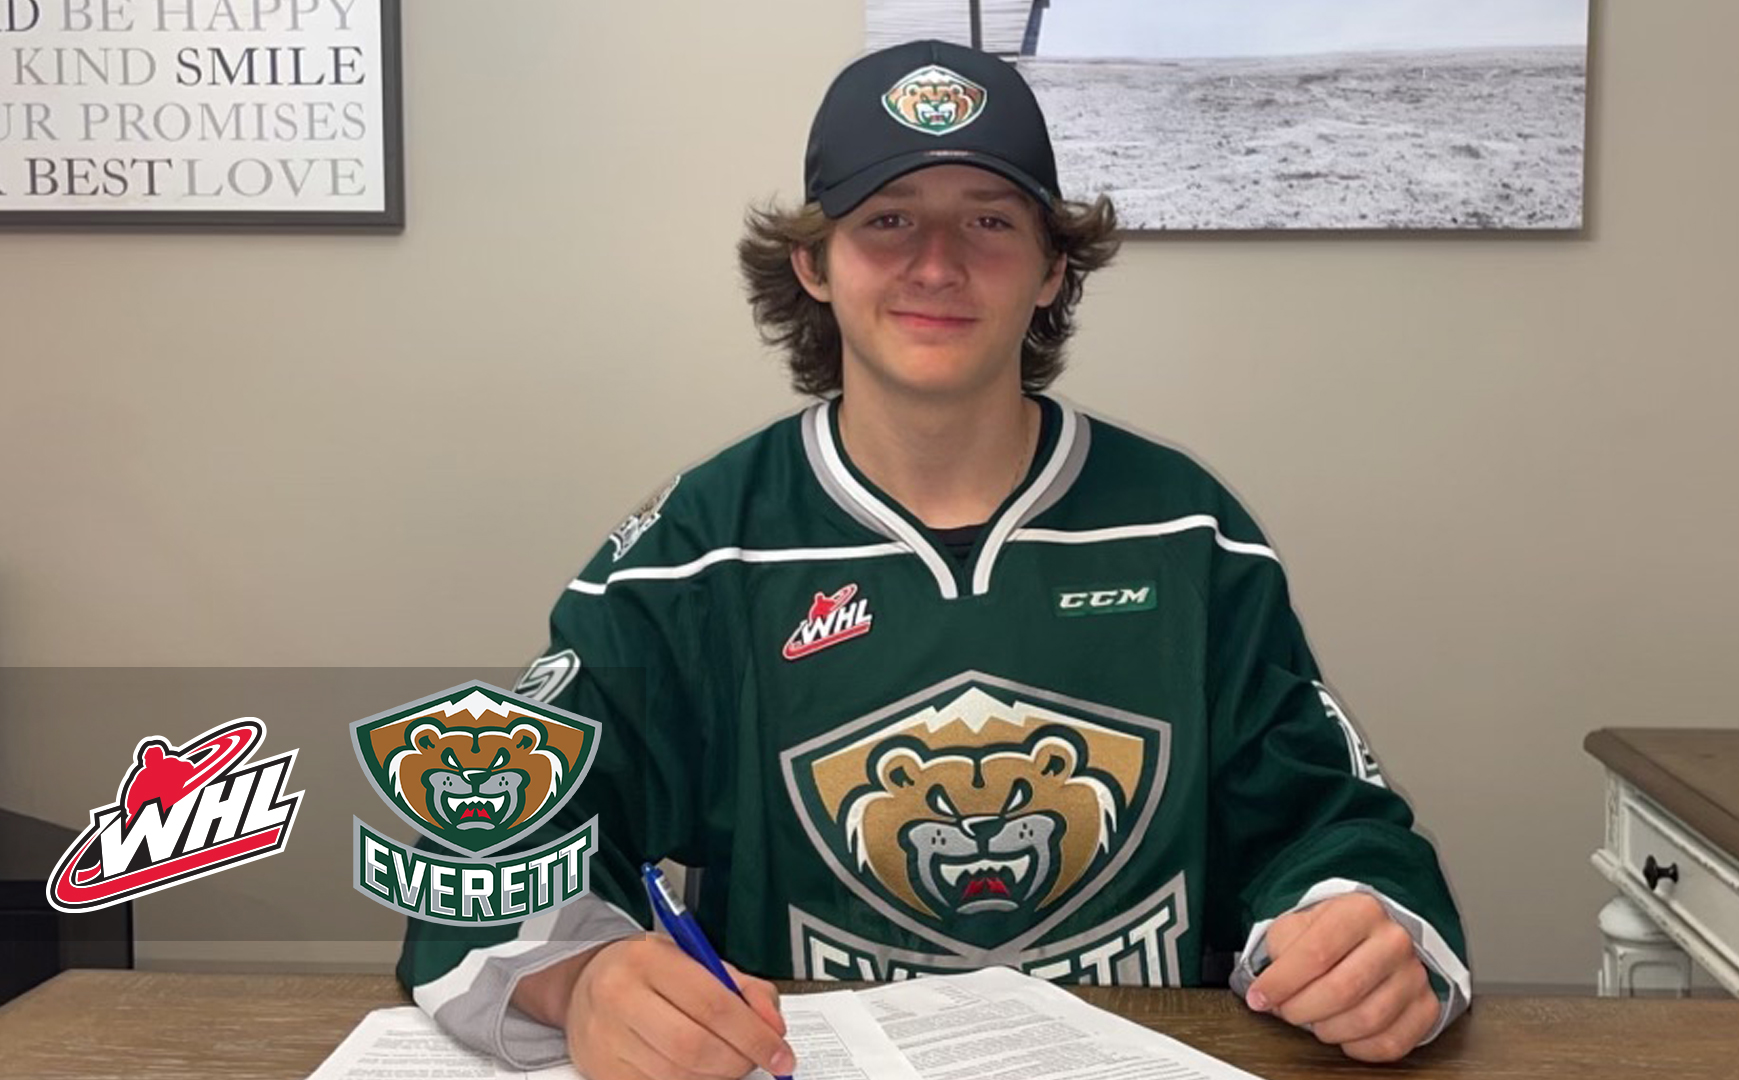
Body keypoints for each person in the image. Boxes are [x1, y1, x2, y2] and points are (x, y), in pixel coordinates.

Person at [398, 39, 1470, 1080]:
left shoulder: (1186, 530)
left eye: (990, 221)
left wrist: (1360, 933)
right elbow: (486, 847)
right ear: (813, 263)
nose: (937, 264)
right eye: (889, 219)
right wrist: (584, 980)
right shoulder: (696, 551)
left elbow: (1330, 825)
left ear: (1052, 268)